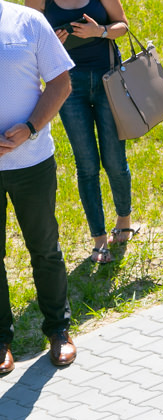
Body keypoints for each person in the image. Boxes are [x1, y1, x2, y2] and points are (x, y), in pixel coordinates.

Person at [0, 0, 77, 374]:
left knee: (45, 249)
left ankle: (59, 330)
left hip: (31, 163)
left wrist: (30, 128)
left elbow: (61, 83)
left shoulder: (28, 21)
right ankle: (1, 339)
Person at [27, 0, 136, 265]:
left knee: (114, 159)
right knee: (86, 164)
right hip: (66, 86)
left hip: (107, 78)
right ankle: (98, 238)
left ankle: (124, 220)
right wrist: (50, 41)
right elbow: (27, 35)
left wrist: (98, 31)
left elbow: (123, 26)